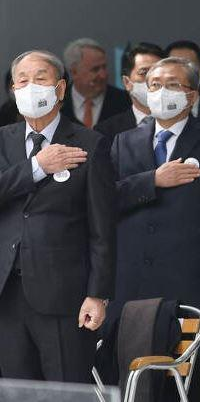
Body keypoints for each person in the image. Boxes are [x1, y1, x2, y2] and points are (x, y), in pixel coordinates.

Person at [109, 57, 200, 402]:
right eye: (154, 85)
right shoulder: (123, 141)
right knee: (134, 379)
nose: (161, 92)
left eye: (173, 85)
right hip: (132, 284)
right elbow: (105, 201)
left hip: (192, 282)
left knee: (190, 381)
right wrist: (152, 180)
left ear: (192, 95)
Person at [0, 50, 115, 383]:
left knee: (66, 389)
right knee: (16, 391)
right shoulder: (2, 139)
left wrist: (98, 293)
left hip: (65, 297)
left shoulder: (90, 144)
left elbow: (102, 228)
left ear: (61, 89)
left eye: (40, 79)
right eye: (23, 81)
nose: (31, 87)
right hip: (7, 295)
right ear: (13, 90)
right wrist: (37, 167)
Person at [95, 42, 165, 142]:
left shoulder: (182, 122)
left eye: (159, 72)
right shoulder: (106, 131)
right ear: (127, 82)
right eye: (144, 73)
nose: (153, 79)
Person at [61, 38, 131, 127]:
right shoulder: (56, 103)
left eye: (104, 67)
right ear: (74, 72)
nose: (103, 75)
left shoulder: (126, 102)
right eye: (95, 69)